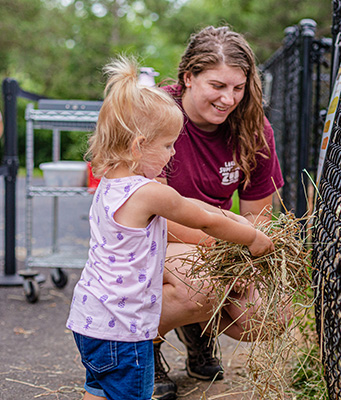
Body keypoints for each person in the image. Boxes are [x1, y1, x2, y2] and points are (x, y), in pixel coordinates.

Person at [66, 55, 275, 400]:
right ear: (138, 147)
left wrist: (235, 218)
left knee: (98, 389)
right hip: (124, 329)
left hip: (91, 320)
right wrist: (251, 237)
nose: (173, 152)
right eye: (167, 145)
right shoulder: (148, 193)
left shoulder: (110, 184)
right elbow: (203, 218)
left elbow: (195, 206)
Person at [152, 26, 285, 399]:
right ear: (188, 77)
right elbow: (153, 209)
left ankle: (197, 329)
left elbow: (260, 213)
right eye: (217, 86)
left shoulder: (254, 128)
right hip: (156, 237)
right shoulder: (157, 115)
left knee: (268, 316)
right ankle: (141, 348)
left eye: (238, 88)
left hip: (218, 241)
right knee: (201, 286)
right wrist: (226, 248)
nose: (229, 99)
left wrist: (242, 259)